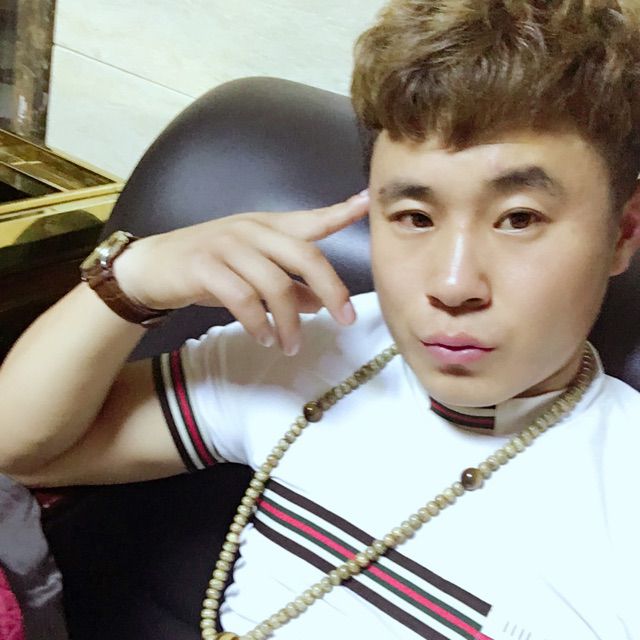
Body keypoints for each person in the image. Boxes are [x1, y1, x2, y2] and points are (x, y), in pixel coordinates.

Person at [1, 0, 639, 638]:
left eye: (519, 219)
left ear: (623, 232)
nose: (452, 285)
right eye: (415, 217)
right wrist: (131, 279)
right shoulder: (320, 349)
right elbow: (22, 451)